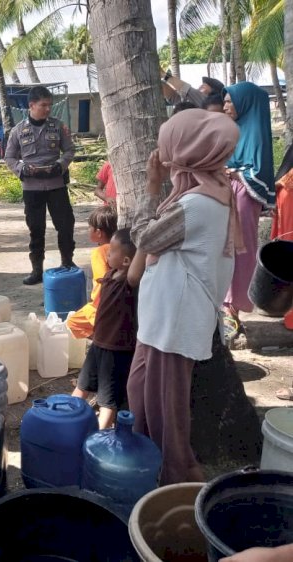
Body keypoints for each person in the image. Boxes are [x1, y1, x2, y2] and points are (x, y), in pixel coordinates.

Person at [127, 109, 242, 485]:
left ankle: (177, 483)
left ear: (188, 151)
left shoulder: (197, 204)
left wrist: (150, 188)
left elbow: (146, 239)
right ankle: (150, 466)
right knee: (142, 393)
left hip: (173, 324)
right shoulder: (207, 192)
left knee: (165, 415)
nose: (162, 152)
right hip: (163, 320)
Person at [5, 85, 76, 284]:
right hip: (32, 188)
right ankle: (37, 271)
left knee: (65, 226)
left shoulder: (58, 126)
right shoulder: (18, 131)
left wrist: (60, 165)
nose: (47, 109)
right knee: (36, 230)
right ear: (31, 105)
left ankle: (67, 263)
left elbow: (70, 150)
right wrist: (21, 168)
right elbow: (9, 157)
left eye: (49, 105)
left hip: (56, 186)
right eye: (43, 105)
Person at [73, 228, 138, 430]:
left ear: (127, 261)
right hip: (98, 343)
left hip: (117, 349)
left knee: (107, 401)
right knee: (82, 386)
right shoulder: (110, 274)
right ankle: (67, 419)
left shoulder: (130, 282)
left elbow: (135, 270)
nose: (107, 254)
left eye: (112, 252)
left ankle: (98, 437)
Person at [222, 82, 275, 325]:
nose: (225, 106)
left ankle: (234, 306)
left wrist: (234, 173)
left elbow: (259, 172)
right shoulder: (235, 129)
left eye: (229, 101)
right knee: (224, 246)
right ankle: (226, 303)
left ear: (244, 103)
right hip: (228, 192)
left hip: (243, 194)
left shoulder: (254, 132)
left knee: (240, 247)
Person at [66, 205, 118, 339]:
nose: (88, 230)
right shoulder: (119, 247)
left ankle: (102, 339)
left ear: (99, 232)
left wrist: (98, 305)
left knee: (72, 323)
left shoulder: (99, 252)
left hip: (101, 305)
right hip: (117, 301)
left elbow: (102, 281)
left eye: (90, 227)